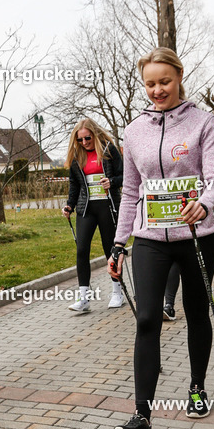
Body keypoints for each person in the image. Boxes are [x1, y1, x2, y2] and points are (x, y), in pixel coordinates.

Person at [108, 47, 214, 429]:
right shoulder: (134, 129)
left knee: (195, 312)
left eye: (164, 82)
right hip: (151, 239)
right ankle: (141, 416)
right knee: (146, 320)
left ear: (179, 77)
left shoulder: (203, 122)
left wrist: (204, 205)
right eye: (150, 84)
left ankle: (197, 388)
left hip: (197, 237)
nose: (157, 90)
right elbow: (129, 192)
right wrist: (119, 243)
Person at [63, 118, 124, 312]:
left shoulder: (108, 151)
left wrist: (112, 182)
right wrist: (70, 205)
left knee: (110, 250)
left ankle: (117, 292)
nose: (84, 143)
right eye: (79, 140)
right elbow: (75, 184)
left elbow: (124, 175)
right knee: (81, 250)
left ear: (95, 135)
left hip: (107, 206)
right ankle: (84, 298)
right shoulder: (77, 155)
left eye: (87, 138)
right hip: (86, 208)